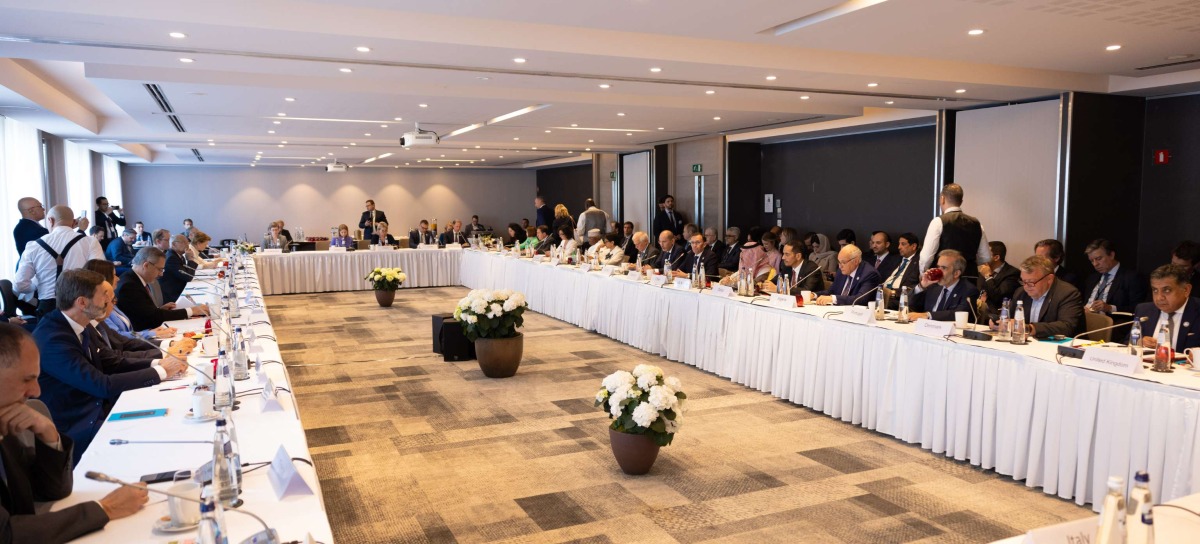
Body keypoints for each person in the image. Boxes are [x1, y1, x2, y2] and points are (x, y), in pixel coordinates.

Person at [0, 323, 151, 540]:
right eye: (27, 379)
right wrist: (105, 508)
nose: (36, 391)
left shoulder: (8, 418)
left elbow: (52, 492)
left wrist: (49, 434)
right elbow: (7, 535)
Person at [33, 269, 188, 462]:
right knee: (162, 438)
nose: (109, 301)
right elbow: (101, 385)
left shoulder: (78, 323)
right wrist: (162, 371)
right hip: (81, 423)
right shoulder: (53, 340)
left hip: (101, 407)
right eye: (103, 295)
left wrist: (161, 364)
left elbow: (110, 360)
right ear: (82, 302)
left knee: (174, 411)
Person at [14, 206, 105, 317]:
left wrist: (37, 285)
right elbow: (99, 274)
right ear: (74, 222)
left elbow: (19, 285)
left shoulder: (33, 246)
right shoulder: (90, 242)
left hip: (48, 306)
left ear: (50, 220)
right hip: (82, 304)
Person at [85, 260, 177, 345]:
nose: (118, 279)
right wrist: (150, 334)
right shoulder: (99, 308)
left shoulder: (111, 301)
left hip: (132, 344)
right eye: (114, 275)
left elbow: (127, 331)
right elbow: (117, 336)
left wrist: (150, 332)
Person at [116, 248, 209, 331]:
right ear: (146, 265)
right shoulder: (129, 286)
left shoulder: (133, 278)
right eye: (160, 269)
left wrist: (159, 309)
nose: (161, 274)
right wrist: (192, 311)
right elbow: (151, 318)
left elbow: (143, 312)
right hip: (144, 334)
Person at [1081, 239, 1146, 342]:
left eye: (1098, 259)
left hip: (1112, 326)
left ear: (1111, 255)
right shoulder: (1092, 278)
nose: (1095, 264)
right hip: (1085, 323)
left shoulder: (1131, 277)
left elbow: (1137, 308)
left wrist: (1110, 308)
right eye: (1092, 261)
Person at [1005, 255, 1084, 339]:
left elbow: (1067, 326)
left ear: (1049, 279)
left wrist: (1030, 328)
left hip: (1059, 344)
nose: (1026, 286)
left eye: (1031, 282)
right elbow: (1011, 318)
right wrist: (1003, 323)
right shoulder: (1021, 292)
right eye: (1023, 281)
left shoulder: (1067, 293)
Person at [920, 184, 991, 274]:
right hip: (969, 276)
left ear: (942, 199)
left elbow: (926, 258)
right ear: (961, 201)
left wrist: (923, 273)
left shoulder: (938, 222)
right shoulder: (977, 224)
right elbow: (986, 257)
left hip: (944, 276)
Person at [1133, 264, 1199, 352]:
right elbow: (1126, 343)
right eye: (1155, 290)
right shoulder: (1144, 310)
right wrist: (1139, 342)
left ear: (1186, 290)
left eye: (1167, 290)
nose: (1159, 297)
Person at [909, 250, 980, 322]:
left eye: (943, 268)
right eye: (938, 267)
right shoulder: (933, 285)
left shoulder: (968, 290)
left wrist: (928, 315)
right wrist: (922, 286)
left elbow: (959, 314)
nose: (938, 271)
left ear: (956, 273)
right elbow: (910, 305)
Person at [815, 245, 882, 306]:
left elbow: (860, 299)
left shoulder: (869, 274)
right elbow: (831, 291)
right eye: (839, 262)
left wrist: (833, 299)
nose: (840, 266)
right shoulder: (842, 271)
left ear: (855, 261)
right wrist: (814, 295)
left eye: (843, 262)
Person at [978, 241, 1020, 314]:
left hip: (998, 314)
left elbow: (998, 297)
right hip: (979, 312)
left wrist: (988, 277)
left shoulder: (1012, 273)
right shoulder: (982, 270)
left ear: (996, 257)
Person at [881, 232, 922, 309]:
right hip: (883, 295)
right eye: (899, 244)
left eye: (903, 244)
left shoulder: (919, 263)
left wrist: (894, 293)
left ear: (913, 246)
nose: (899, 247)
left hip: (900, 299)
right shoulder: (895, 259)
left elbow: (916, 286)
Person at [158, 235, 196, 304]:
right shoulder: (171, 258)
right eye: (184, 242)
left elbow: (186, 274)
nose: (187, 244)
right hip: (172, 296)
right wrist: (190, 260)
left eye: (188, 242)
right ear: (173, 244)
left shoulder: (178, 255)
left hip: (179, 290)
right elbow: (188, 277)